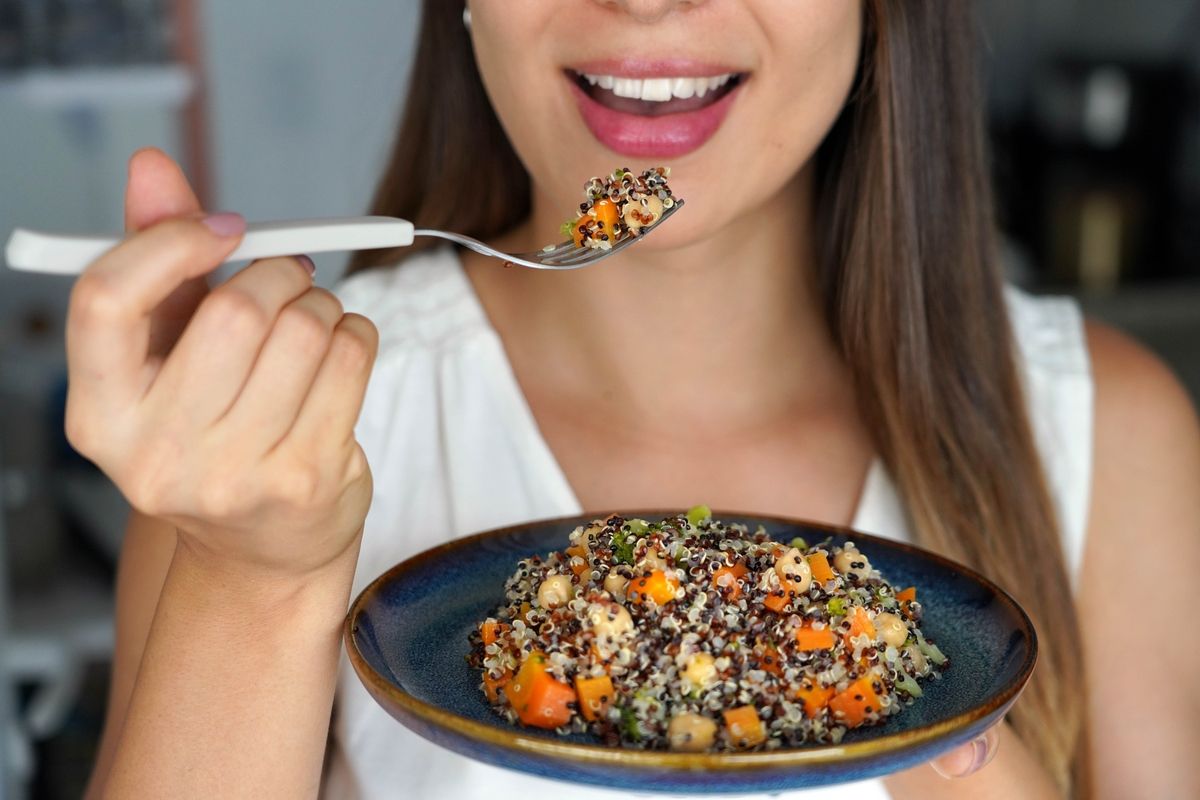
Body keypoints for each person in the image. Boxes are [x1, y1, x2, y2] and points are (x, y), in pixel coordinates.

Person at [66, 1, 1198, 799]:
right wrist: (253, 580)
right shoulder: (276, 437)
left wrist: (905, 718)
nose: (649, 0)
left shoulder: (1110, 434)